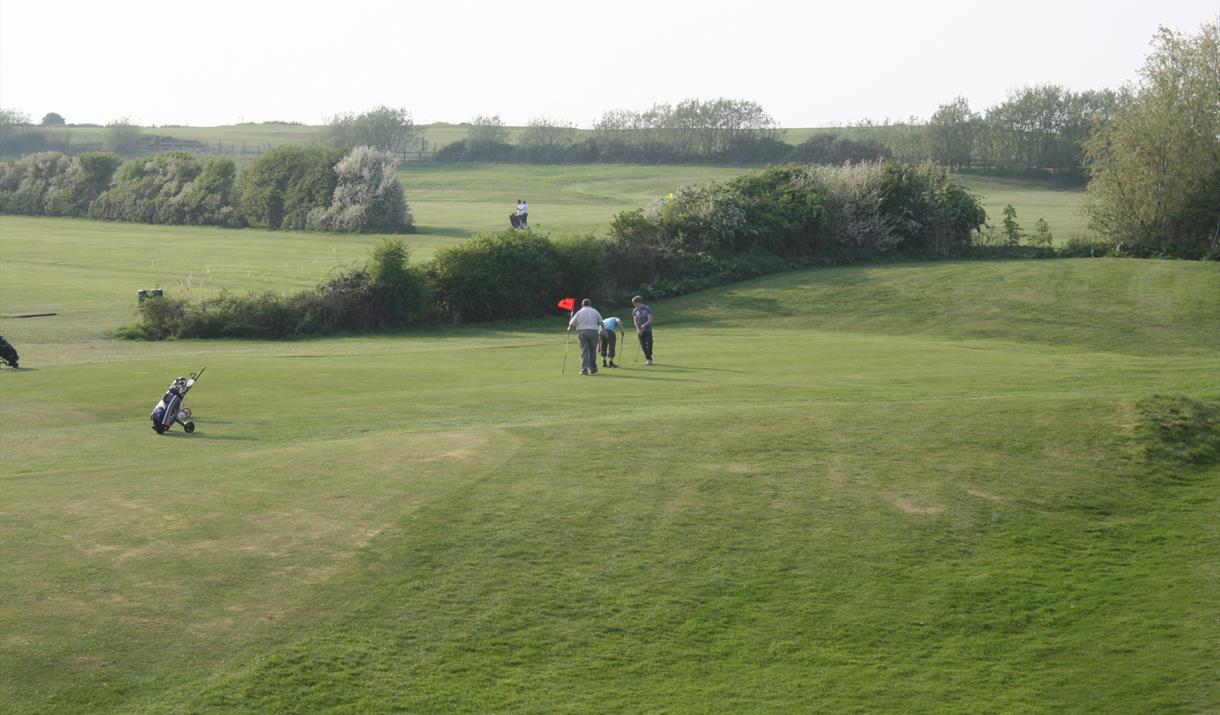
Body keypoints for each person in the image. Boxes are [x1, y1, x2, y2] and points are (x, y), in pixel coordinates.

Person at [567, 298, 603, 375]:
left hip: (582, 332)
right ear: (590, 304)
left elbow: (572, 323)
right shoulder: (595, 311)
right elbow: (601, 322)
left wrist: (569, 328)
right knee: (593, 350)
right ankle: (593, 368)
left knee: (584, 351)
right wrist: (604, 331)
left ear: (582, 305)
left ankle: (584, 370)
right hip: (594, 332)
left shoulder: (579, 312)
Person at [632, 295, 654, 365]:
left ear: (638, 302)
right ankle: (648, 359)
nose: (634, 305)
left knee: (650, 343)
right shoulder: (635, 310)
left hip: (647, 329)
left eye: (634, 303)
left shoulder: (647, 308)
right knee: (643, 345)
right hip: (640, 330)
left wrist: (644, 326)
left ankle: (649, 355)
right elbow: (635, 321)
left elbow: (650, 319)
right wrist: (638, 329)